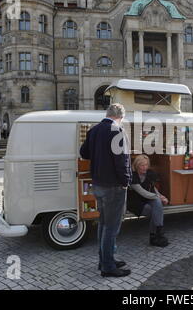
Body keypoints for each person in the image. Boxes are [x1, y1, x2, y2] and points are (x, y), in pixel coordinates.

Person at [80, 103, 132, 278]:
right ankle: (108, 267)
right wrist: (126, 181)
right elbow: (122, 160)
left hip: (98, 184)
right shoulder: (117, 131)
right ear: (121, 117)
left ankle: (104, 260)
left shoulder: (93, 130)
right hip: (114, 186)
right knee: (111, 227)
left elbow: (84, 153)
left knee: (103, 223)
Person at [127, 155, 169, 247]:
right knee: (156, 210)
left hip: (147, 199)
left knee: (157, 205)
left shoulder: (148, 174)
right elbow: (143, 193)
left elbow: (153, 189)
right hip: (136, 203)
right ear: (137, 165)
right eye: (142, 165)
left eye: (146, 165)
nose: (144, 167)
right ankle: (155, 236)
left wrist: (162, 197)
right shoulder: (132, 176)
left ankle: (157, 234)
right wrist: (158, 198)